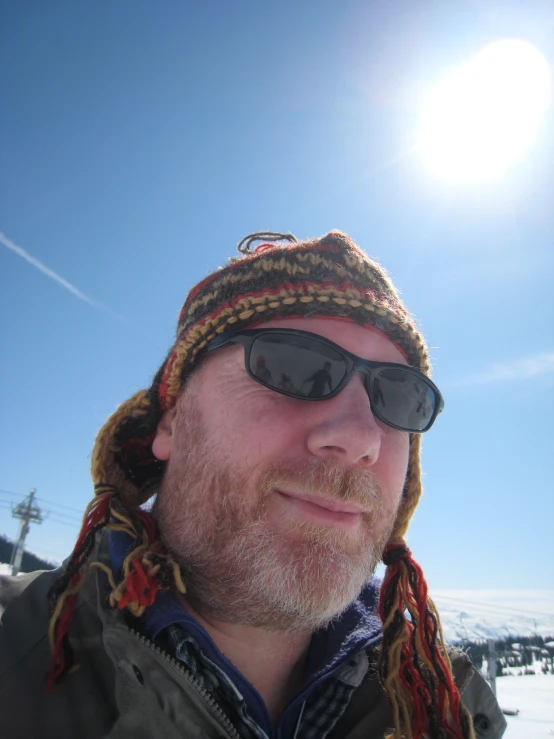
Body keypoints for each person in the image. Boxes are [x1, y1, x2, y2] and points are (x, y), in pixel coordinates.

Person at [0, 231, 506, 739]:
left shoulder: (442, 713)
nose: (360, 438)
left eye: (400, 397)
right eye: (292, 366)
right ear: (171, 421)